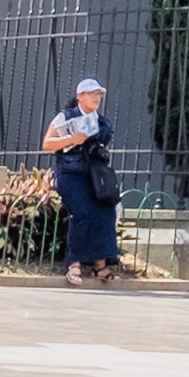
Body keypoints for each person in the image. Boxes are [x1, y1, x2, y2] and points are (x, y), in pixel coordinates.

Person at [42, 76, 122, 284]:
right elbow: (47, 144)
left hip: (93, 176)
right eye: (93, 94)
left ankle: (101, 265)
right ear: (80, 96)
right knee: (83, 211)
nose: (97, 98)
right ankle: (74, 264)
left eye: (99, 94)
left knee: (105, 211)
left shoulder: (103, 123)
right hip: (69, 175)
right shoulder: (66, 117)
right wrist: (72, 140)